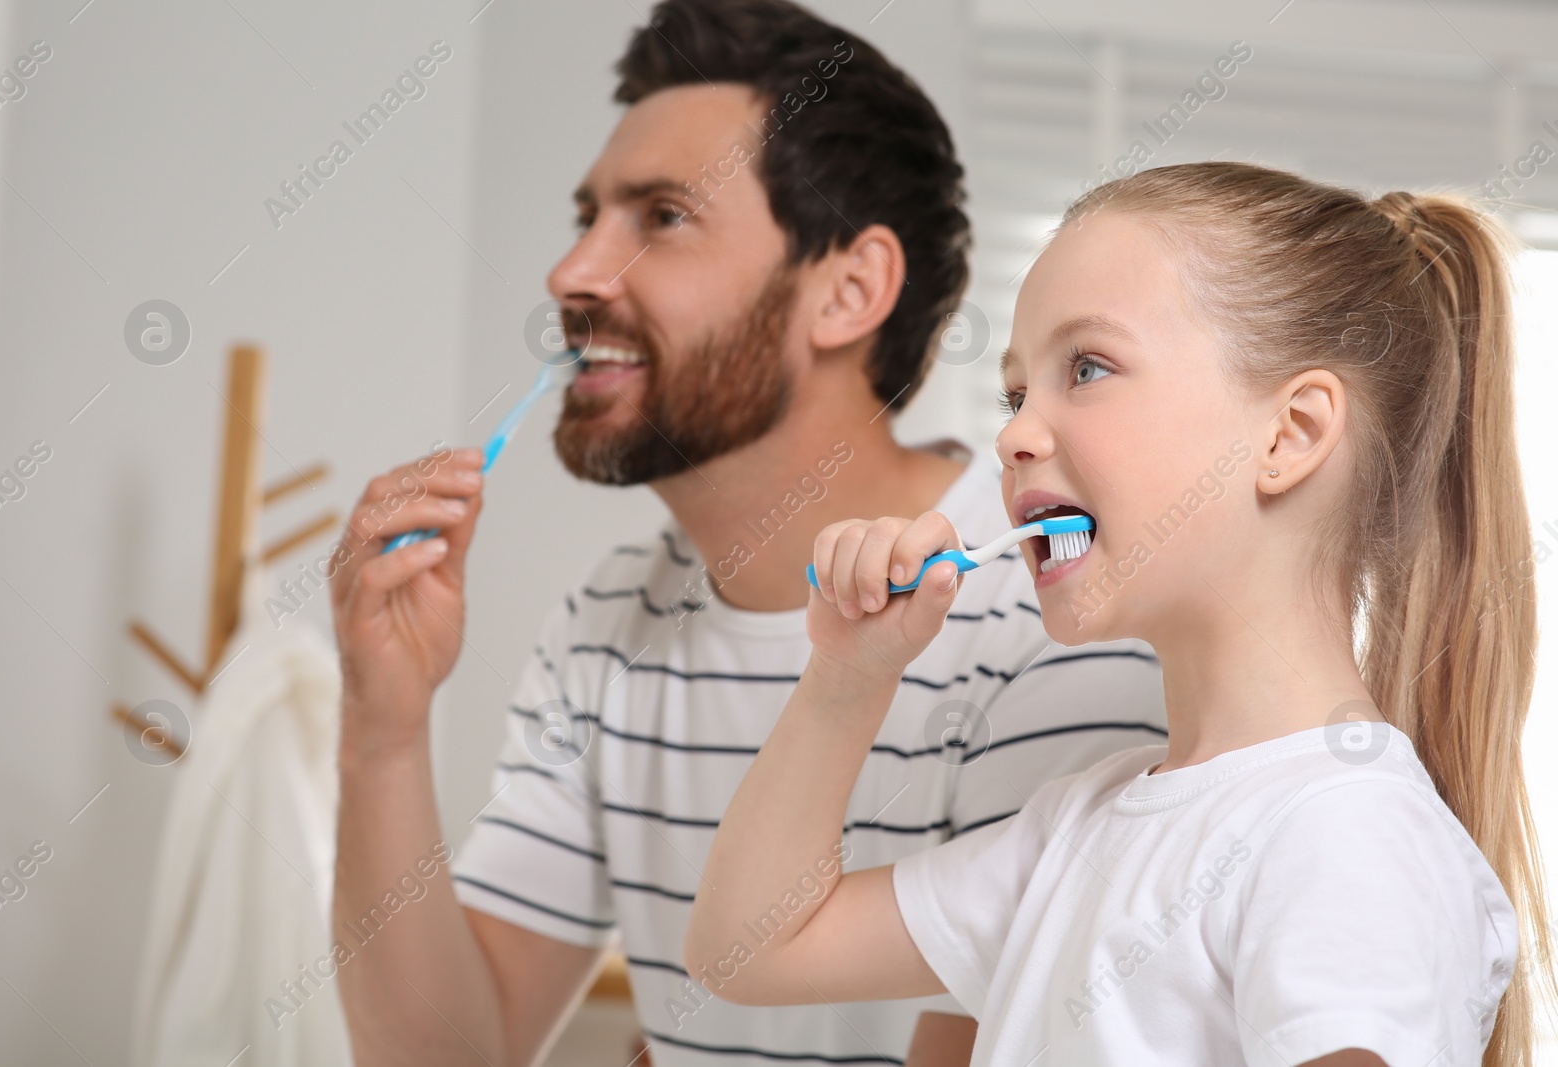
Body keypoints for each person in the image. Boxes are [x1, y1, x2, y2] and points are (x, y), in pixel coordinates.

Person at [329, 1, 1165, 1064]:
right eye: (585, 217)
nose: (574, 273)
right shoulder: (604, 626)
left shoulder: (1050, 610)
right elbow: (449, 1054)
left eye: (661, 217)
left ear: (849, 289)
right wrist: (381, 731)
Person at [685, 161, 1558, 1066]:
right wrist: (845, 678)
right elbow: (748, 950)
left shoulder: (1345, 833)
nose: (1014, 434)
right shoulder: (1080, 825)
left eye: (1088, 367)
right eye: (1017, 394)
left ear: (1289, 434)